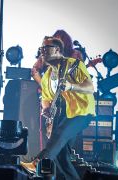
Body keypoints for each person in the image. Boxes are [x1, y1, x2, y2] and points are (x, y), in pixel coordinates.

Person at [21, 36, 95, 180]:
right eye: (41, 49)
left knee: (59, 136)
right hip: (61, 115)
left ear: (57, 50)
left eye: (45, 48)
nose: (42, 52)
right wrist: (46, 110)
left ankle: (37, 163)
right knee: (62, 157)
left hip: (80, 112)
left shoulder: (73, 64)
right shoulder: (47, 75)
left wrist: (71, 86)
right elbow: (47, 98)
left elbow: (90, 87)